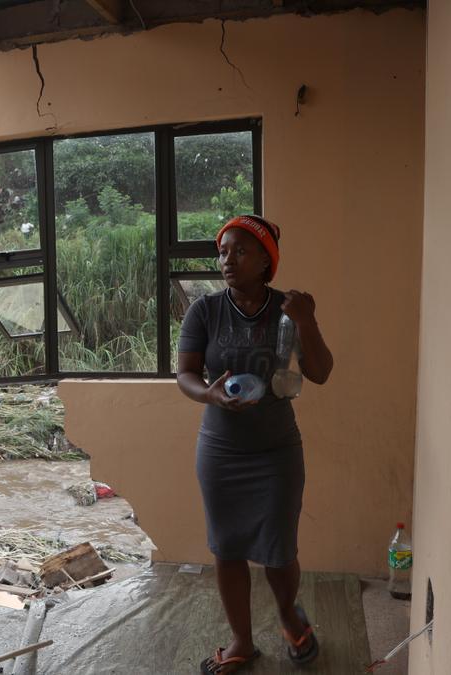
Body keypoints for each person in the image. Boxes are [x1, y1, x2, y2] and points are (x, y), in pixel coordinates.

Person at [176, 214, 334, 674]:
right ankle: (242, 641)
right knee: (226, 549)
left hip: (277, 453)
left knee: (280, 551)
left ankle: (288, 614)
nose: (227, 259)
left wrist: (307, 321)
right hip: (220, 452)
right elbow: (185, 373)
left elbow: (320, 372)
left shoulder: (289, 310)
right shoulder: (205, 311)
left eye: (240, 251)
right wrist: (207, 393)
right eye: (223, 251)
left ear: (267, 260)